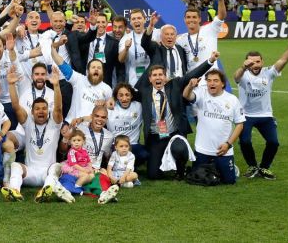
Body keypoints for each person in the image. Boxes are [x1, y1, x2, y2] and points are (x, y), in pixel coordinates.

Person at [135, 51, 217, 180]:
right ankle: (162, 160)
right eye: (155, 75)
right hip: (156, 137)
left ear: (165, 77)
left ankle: (180, 169)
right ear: (150, 79)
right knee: (153, 175)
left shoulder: (175, 85)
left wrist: (210, 61)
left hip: (174, 133)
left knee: (179, 149)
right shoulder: (144, 92)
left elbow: (192, 74)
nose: (158, 78)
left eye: (161, 75)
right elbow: (124, 91)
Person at [4, 65, 72, 203]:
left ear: (48, 110)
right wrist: (11, 85)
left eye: (44, 109)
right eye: (37, 109)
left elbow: (58, 108)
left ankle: (46, 190)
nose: (41, 111)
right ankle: (14, 191)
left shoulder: (54, 123)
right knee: (15, 166)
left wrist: (56, 85)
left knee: (57, 167)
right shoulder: (28, 122)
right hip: (30, 172)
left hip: (48, 172)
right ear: (32, 111)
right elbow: (16, 106)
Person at [234, 36, 288, 180]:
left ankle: (264, 167)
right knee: (244, 141)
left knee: (274, 142)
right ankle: (252, 166)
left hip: (266, 115)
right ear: (246, 62)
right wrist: (243, 67)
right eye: (251, 62)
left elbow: (283, 60)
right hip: (246, 115)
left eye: (258, 61)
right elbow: (236, 76)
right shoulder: (243, 74)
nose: (255, 64)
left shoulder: (268, 72)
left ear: (262, 62)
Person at [183, 70, 246, 184]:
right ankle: (215, 169)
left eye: (216, 81)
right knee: (198, 178)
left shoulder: (232, 100)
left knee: (229, 181)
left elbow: (240, 124)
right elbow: (186, 95)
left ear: (222, 83)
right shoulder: (201, 93)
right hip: (202, 150)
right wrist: (190, 86)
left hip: (223, 150)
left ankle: (229, 168)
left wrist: (228, 144)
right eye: (209, 81)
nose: (212, 83)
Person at [177, 0, 227, 74]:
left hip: (210, 79)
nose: (191, 20)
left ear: (199, 19)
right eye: (188, 17)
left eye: (194, 17)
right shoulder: (181, 39)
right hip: (193, 81)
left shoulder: (210, 29)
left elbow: (221, 16)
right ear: (184, 20)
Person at [105, 83, 148, 167]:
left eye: (127, 95)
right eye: (120, 95)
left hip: (133, 144)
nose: (124, 98)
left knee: (145, 155)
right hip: (116, 145)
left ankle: (131, 166)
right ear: (116, 97)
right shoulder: (110, 108)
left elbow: (140, 90)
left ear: (132, 96)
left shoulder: (138, 106)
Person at [142, 13, 188, 79]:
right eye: (166, 34)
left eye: (172, 34)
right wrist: (151, 26)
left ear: (176, 36)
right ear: (161, 36)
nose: (169, 37)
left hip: (180, 85)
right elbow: (145, 43)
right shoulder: (156, 48)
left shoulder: (180, 49)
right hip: (163, 85)